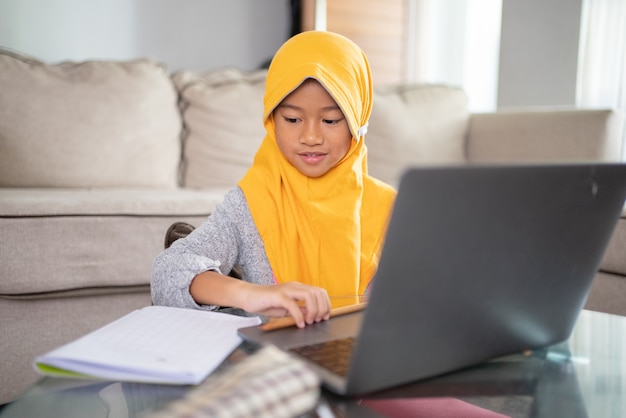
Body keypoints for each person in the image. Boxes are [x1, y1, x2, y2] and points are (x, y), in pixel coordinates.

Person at [151, 31, 396, 328]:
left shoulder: (391, 208)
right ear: (271, 119)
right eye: (292, 119)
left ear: (358, 121)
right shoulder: (252, 202)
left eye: (331, 120)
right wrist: (252, 295)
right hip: (278, 361)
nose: (310, 137)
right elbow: (167, 273)